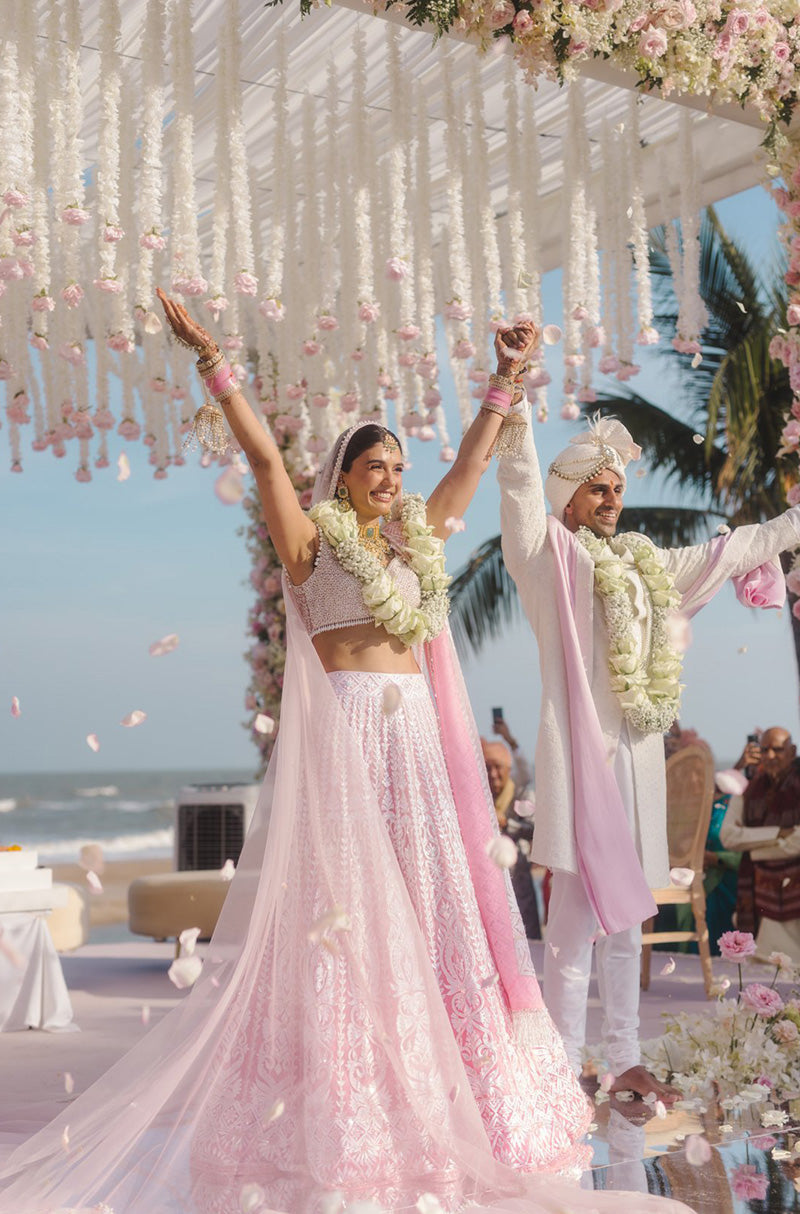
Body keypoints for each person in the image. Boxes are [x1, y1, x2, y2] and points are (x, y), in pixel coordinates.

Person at [0, 303, 693, 1214]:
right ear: (345, 475)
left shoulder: (414, 543)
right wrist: (213, 359)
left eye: (400, 468)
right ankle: (346, 1125)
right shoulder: (310, 544)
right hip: (350, 750)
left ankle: (457, 1114)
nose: (394, 480)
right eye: (379, 466)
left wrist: (505, 380)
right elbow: (258, 459)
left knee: (435, 913)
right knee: (349, 923)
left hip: (415, 752)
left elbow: (471, 468)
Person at [496, 405, 800, 1103]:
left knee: (632, 912)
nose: (612, 499)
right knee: (574, 916)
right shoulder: (547, 560)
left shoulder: (645, 566)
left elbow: (732, 549)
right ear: (567, 497)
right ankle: (564, 1063)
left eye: (617, 488)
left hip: (637, 761)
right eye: (598, 488)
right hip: (581, 760)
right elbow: (517, 489)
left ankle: (626, 1055)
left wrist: (793, 523)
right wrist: (511, 399)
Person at [720, 726, 800, 962]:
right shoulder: (749, 790)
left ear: (792, 751)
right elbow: (728, 837)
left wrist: (753, 851)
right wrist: (777, 833)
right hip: (759, 897)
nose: (771, 756)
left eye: (778, 750)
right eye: (765, 750)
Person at [481, 732, 541, 940]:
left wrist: (507, 823)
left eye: (497, 767)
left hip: (520, 887)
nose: (493, 774)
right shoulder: (480, 799)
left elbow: (535, 828)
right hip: (489, 891)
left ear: (508, 768)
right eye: (487, 768)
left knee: (529, 944)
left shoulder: (522, 794)